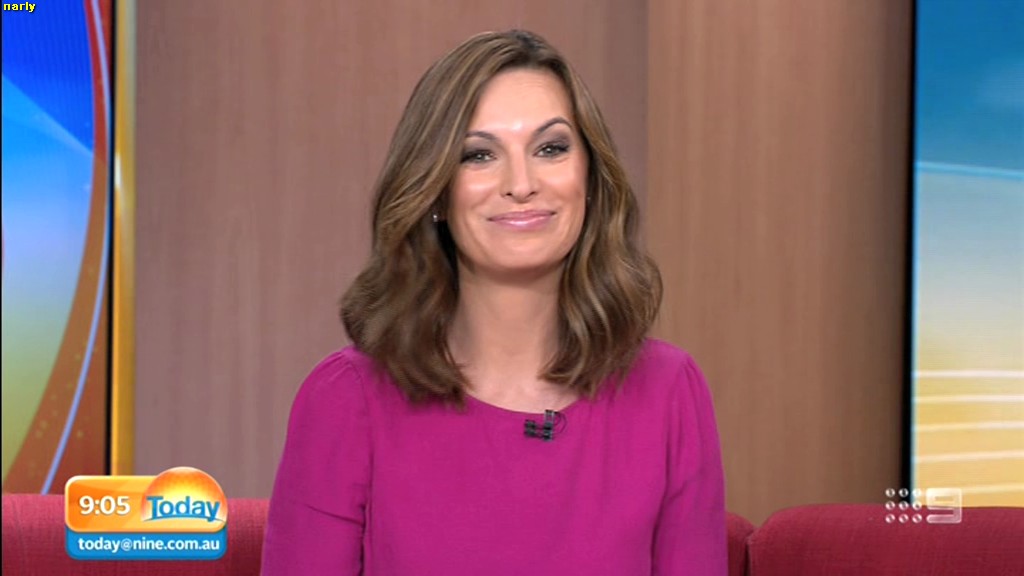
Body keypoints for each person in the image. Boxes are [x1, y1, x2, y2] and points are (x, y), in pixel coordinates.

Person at [261, 29, 727, 575]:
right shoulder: (346, 399)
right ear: (435, 192)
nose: (521, 184)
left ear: (590, 177)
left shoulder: (670, 391)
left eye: (550, 148)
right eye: (479, 155)